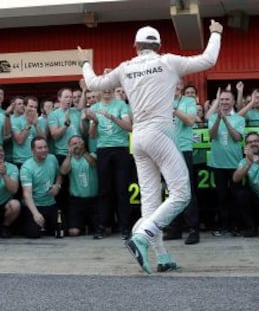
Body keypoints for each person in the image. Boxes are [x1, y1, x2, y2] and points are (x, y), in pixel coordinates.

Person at [78, 19, 223, 274]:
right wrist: (215, 33)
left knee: (150, 200)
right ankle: (142, 235)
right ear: (158, 45)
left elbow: (93, 84)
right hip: (160, 135)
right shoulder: (167, 61)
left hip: (139, 139)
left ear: (135, 46)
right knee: (181, 194)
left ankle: (162, 256)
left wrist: (84, 63)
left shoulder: (125, 68)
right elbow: (208, 59)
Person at [84, 88, 132, 240]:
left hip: (121, 149)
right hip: (103, 150)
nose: (107, 91)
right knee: (104, 190)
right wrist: (95, 122)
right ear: (100, 91)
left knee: (122, 189)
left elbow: (129, 127)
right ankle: (103, 226)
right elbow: (92, 135)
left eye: (110, 87)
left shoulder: (121, 105)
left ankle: (125, 227)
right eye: (105, 88)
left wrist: (111, 117)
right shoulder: (94, 108)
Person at [163, 80, 200, 245]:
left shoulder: (189, 101)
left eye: (178, 84)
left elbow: (191, 121)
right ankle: (175, 229)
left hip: (183, 149)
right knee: (170, 191)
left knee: (187, 189)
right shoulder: (162, 100)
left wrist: (174, 109)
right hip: (166, 151)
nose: (175, 87)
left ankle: (193, 229)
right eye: (173, 84)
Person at [208, 90, 245, 236]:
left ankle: (236, 226)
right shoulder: (212, 117)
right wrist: (218, 119)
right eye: (222, 100)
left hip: (235, 164)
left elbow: (237, 137)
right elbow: (211, 135)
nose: (224, 102)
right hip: (217, 164)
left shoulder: (239, 119)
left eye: (227, 100)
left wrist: (226, 120)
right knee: (221, 197)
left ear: (233, 102)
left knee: (236, 196)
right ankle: (223, 226)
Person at [20, 137, 62, 238]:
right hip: (34, 205)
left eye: (45, 147)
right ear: (32, 150)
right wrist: (35, 213)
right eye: (40, 148)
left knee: (61, 231)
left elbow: (59, 175)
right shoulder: (27, 168)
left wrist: (57, 185)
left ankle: (45, 225)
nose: (44, 150)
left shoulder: (52, 158)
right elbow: (27, 194)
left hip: (50, 203)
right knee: (33, 234)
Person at [60, 135, 99, 238]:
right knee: (73, 232)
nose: (77, 146)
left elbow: (93, 164)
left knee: (104, 230)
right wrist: (69, 154)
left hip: (93, 200)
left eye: (79, 143)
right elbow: (63, 171)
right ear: (69, 146)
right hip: (77, 201)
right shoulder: (69, 159)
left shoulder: (91, 155)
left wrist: (83, 151)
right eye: (74, 144)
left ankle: (88, 225)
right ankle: (82, 225)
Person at [0, 145, 20, 238]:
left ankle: (5, 227)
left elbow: (14, 190)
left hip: (4, 204)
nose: (0, 153)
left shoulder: (12, 168)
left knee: (15, 205)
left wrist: (4, 174)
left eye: (1, 151)